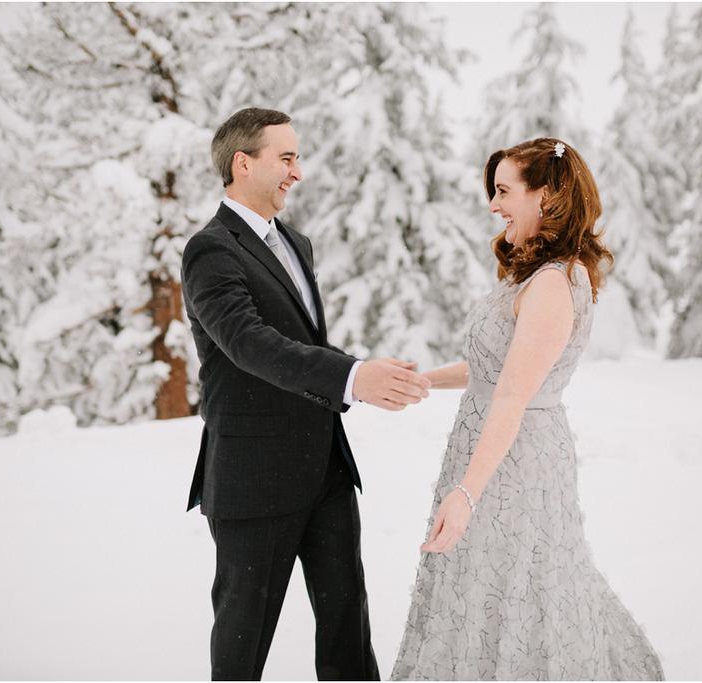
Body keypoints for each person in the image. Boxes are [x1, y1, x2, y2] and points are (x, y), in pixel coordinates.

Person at [391, 138, 665, 680]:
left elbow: (514, 395)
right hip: (489, 453)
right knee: (483, 586)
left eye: (503, 191)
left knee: (520, 587)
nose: (493, 205)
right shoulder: (533, 276)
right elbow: (497, 370)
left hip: (514, 464)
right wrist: (424, 380)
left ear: (546, 196)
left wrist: (467, 494)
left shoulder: (554, 285)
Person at [181, 107, 431, 681]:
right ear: (243, 164)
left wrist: (366, 370)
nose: (298, 172)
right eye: (287, 158)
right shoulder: (210, 249)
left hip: (325, 471)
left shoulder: (296, 243)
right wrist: (351, 377)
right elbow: (248, 342)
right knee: (242, 647)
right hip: (254, 477)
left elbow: (298, 342)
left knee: (348, 633)